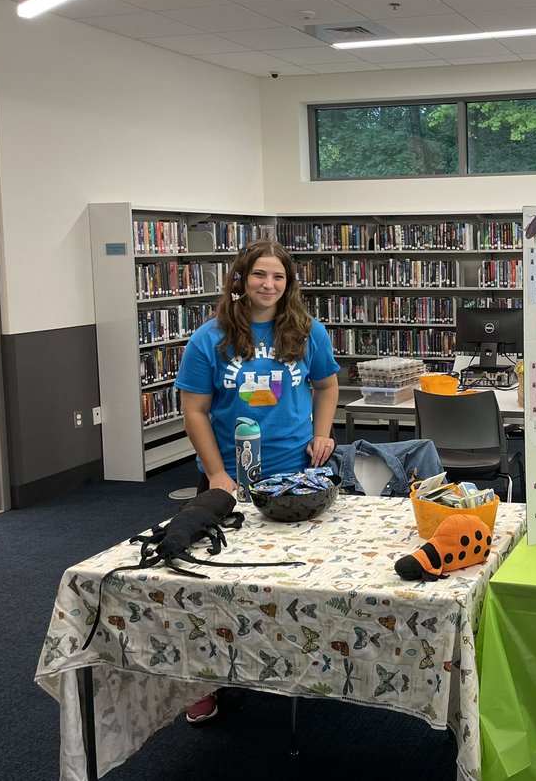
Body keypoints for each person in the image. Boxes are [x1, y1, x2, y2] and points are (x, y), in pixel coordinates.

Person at [173, 238, 340, 722]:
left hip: (296, 473)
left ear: (289, 284)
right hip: (230, 477)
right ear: (240, 281)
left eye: (279, 277)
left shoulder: (309, 331)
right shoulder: (209, 338)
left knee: (297, 574)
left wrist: (323, 435)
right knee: (214, 582)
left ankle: (300, 662)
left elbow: (326, 385)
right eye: (259, 275)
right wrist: (217, 474)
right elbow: (195, 410)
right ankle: (210, 677)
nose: (269, 285)